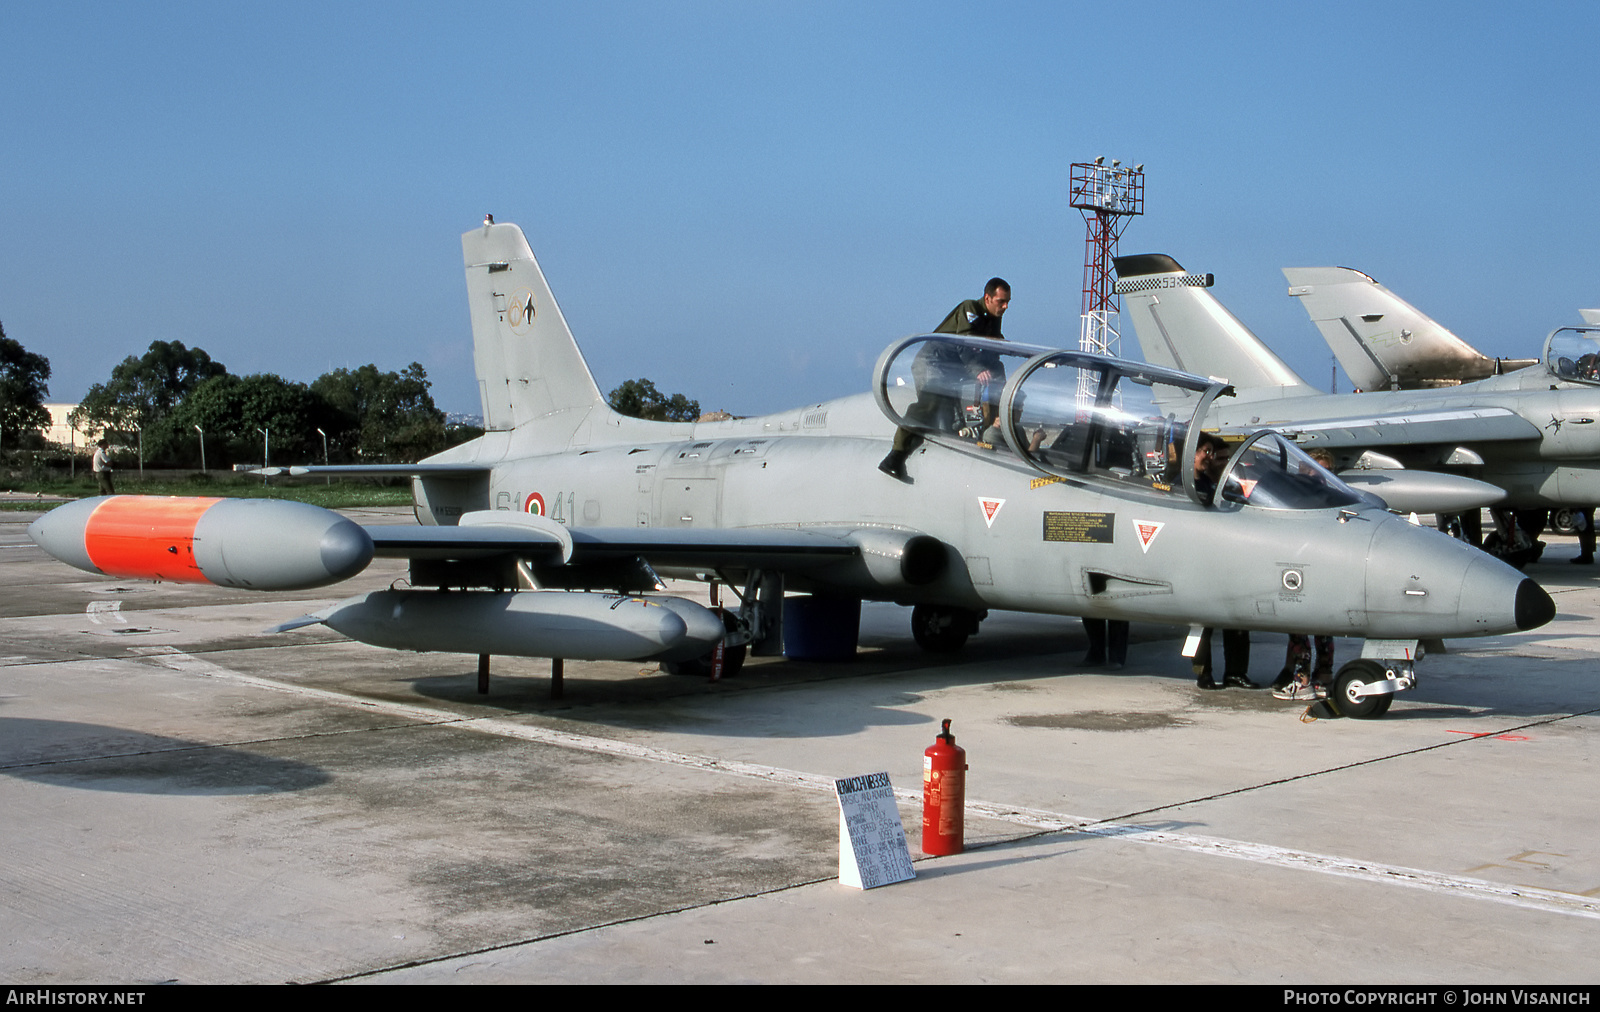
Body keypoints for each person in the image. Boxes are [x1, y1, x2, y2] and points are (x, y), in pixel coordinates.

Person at [878, 278, 1011, 480]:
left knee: (987, 387)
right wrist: (977, 370)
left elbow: (991, 347)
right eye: (1001, 301)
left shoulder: (992, 317)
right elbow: (965, 343)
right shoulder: (971, 308)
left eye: (1007, 301)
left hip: (956, 367)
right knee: (932, 401)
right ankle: (896, 455)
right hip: (933, 362)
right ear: (987, 298)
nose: (1005, 306)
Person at [1188, 433, 1255, 688]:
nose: (1209, 457)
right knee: (1202, 621)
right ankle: (1203, 673)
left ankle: (1236, 672)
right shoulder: (1183, 486)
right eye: (1204, 451)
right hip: (1200, 561)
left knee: (1237, 618)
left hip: (1225, 558)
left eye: (1210, 452)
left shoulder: (1213, 484)